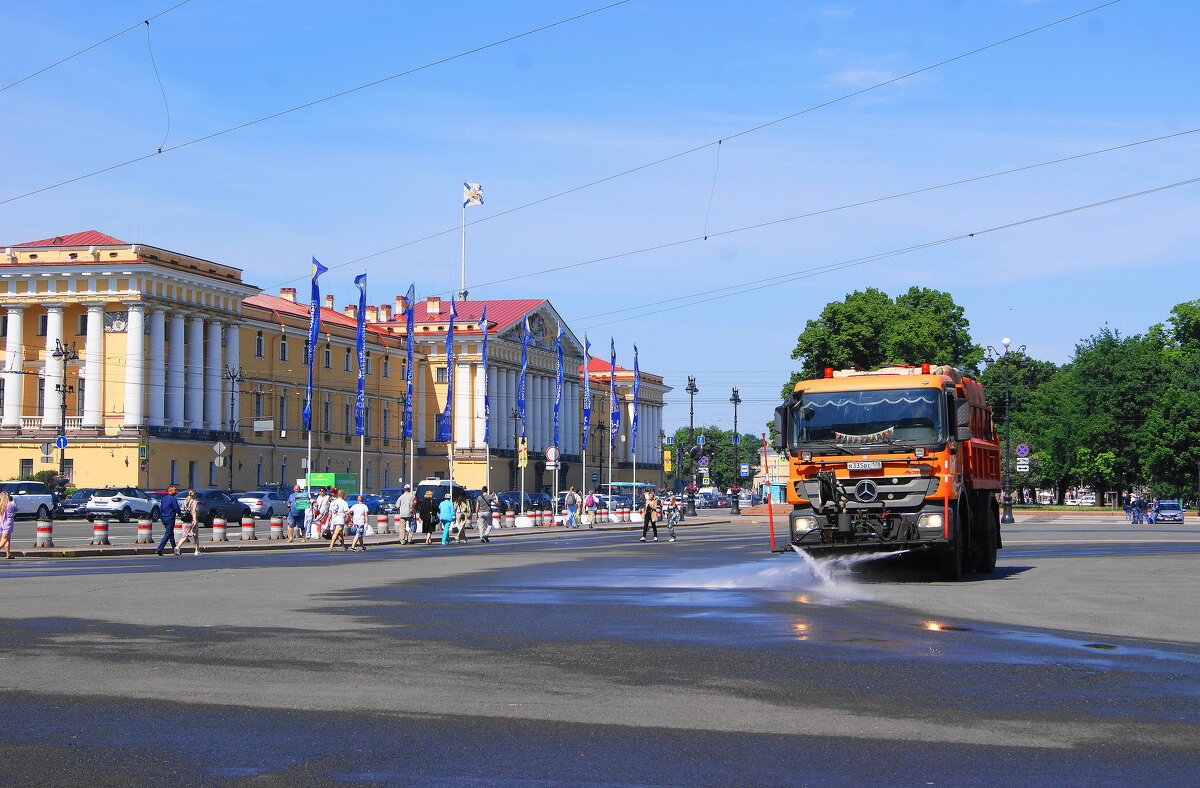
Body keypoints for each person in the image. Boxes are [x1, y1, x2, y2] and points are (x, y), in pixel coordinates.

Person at [155, 485, 182, 556]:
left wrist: (162, 519)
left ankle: (175, 549)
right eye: (174, 490)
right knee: (167, 534)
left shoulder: (163, 499)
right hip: (170, 518)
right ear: (170, 491)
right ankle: (159, 549)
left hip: (164, 517)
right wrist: (180, 514)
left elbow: (161, 509)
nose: (176, 491)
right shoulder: (173, 499)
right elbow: (177, 508)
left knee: (171, 534)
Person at [0, 490, 16, 559]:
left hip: (1, 523)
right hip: (8, 524)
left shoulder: (1, 505)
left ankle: (8, 554)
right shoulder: (11, 504)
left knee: (7, 539)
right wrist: (13, 501)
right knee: (4, 539)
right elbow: (17, 509)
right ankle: (8, 554)